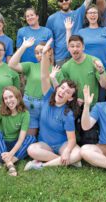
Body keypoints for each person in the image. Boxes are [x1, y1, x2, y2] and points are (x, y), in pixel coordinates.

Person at [24, 40, 81, 170]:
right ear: (57, 88)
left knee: (78, 152)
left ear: (70, 98)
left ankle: (42, 165)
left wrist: (66, 151)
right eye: (62, 88)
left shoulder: (68, 113)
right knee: (32, 149)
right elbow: (44, 76)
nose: (62, 92)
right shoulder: (47, 96)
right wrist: (44, 54)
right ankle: (66, 161)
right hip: (45, 145)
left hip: (62, 144)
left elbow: (71, 140)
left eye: (67, 92)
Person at [9, 38, 62, 136]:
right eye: (36, 53)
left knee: (46, 134)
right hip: (30, 103)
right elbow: (12, 64)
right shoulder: (31, 66)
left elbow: (59, 90)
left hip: (47, 104)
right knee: (30, 136)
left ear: (49, 52)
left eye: (42, 52)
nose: (39, 55)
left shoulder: (56, 70)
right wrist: (23, 47)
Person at [46, 0, 94, 66]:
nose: (64, 2)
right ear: (58, 3)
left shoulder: (78, 13)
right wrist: (51, 61)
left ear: (70, 0)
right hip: (60, 58)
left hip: (78, 56)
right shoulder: (52, 18)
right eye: (61, 0)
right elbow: (50, 41)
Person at [0, 87, 37, 176]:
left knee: (31, 139)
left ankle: (5, 162)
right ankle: (10, 164)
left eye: (11, 97)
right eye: (6, 98)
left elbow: (21, 139)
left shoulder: (25, 114)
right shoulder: (0, 110)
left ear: (17, 97)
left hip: (14, 143)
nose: (8, 101)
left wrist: (11, 153)